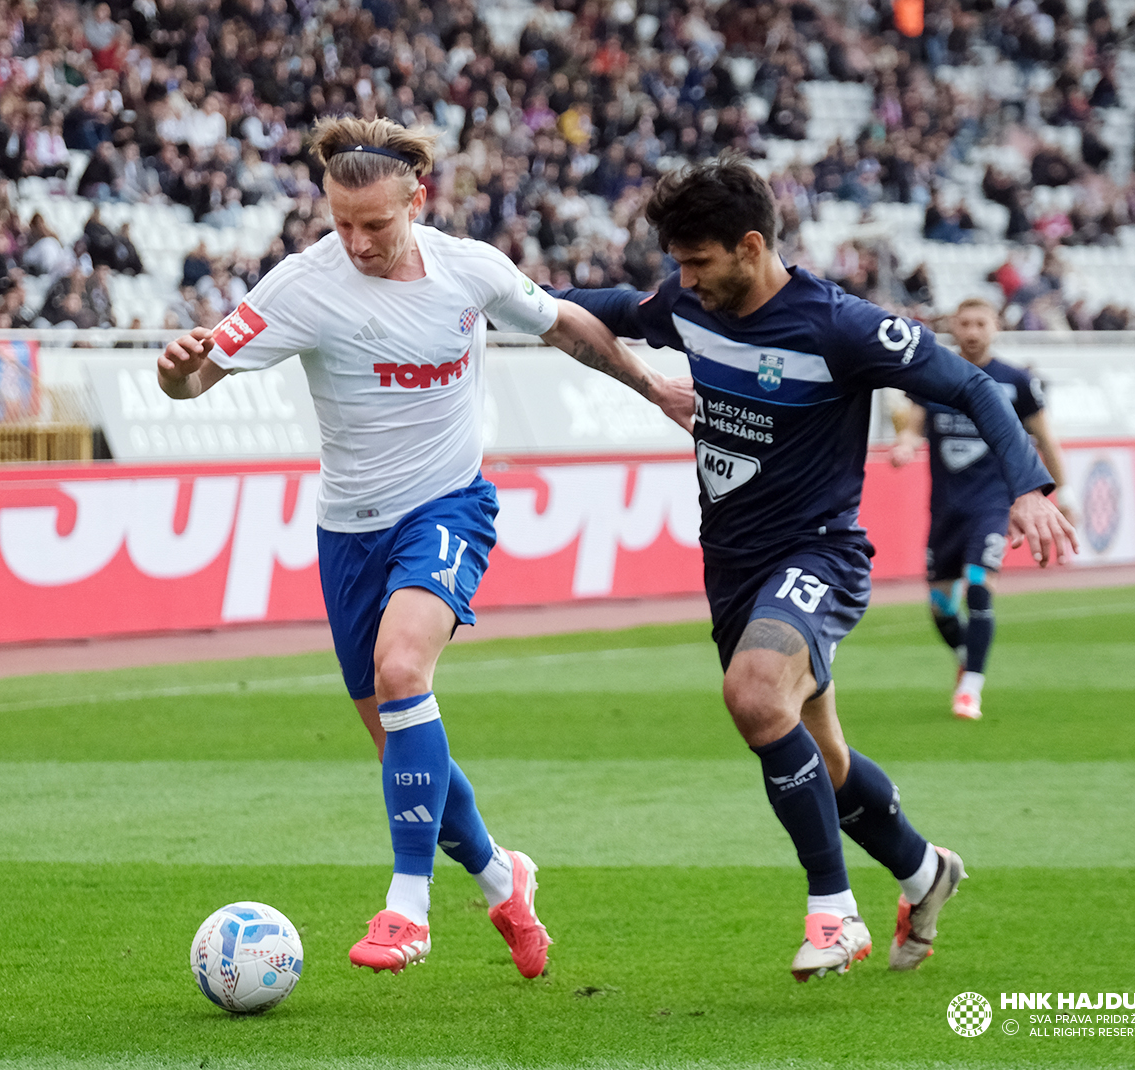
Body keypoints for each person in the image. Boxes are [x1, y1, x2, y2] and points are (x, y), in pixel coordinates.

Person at [156, 117, 693, 979]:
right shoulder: (302, 287)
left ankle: (408, 904)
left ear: (418, 197)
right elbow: (193, 379)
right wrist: (175, 367)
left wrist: (652, 386)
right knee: (402, 743)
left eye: (375, 223)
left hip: (448, 506)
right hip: (348, 532)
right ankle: (499, 874)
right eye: (341, 223)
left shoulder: (469, 270)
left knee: (406, 675)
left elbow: (563, 325)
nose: (358, 241)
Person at [550, 154, 1076, 981]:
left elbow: (974, 387)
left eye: (698, 262)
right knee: (818, 754)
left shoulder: (841, 326)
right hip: (731, 565)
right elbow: (608, 309)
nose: (682, 280)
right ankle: (924, 870)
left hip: (818, 553)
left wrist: (1030, 488)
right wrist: (493, 297)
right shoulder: (689, 301)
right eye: (679, 263)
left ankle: (834, 911)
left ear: (752, 245)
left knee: (755, 694)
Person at [888, 297, 1079, 720]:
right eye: (965, 323)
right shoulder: (933, 375)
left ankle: (970, 689)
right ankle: (966, 653)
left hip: (991, 507)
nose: (972, 331)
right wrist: (904, 445)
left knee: (978, 585)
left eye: (980, 323)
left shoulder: (1016, 381)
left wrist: (1062, 493)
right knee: (940, 608)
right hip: (945, 510)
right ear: (953, 327)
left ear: (996, 326)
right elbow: (913, 425)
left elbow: (1046, 438)